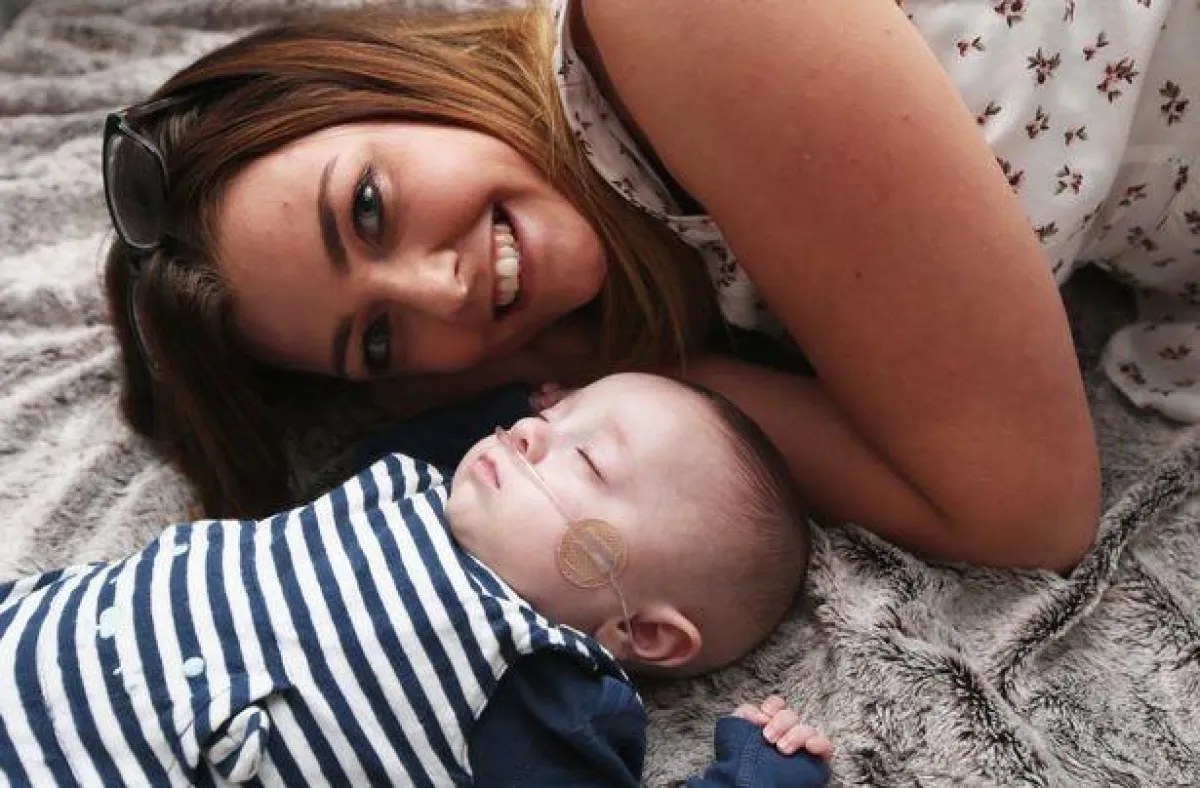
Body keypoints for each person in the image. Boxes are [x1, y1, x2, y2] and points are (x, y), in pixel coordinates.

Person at [101, 0, 1200, 571]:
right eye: (378, 337)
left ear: (386, 82)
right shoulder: (670, 253)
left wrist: (620, 365)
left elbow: (1026, 512)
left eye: (370, 208)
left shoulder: (677, 19)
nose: (441, 292)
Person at [0, 372, 830, 785]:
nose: (529, 434)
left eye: (587, 460)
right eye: (549, 414)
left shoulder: (538, 690)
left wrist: (759, 772)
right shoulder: (412, 485)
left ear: (640, 631)